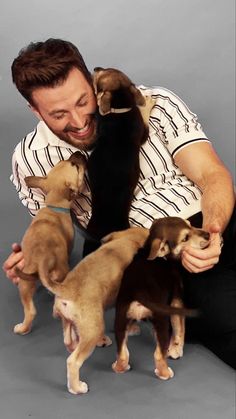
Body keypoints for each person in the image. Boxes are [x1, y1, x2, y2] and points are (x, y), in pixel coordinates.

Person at [2, 38, 236, 369]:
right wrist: (33, 256)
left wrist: (213, 229)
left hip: (215, 216)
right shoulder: (30, 159)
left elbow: (212, 175)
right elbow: (51, 227)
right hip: (155, 255)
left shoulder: (156, 103)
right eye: (58, 114)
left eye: (83, 101)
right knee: (225, 315)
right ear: (35, 111)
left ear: (92, 83)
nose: (79, 121)